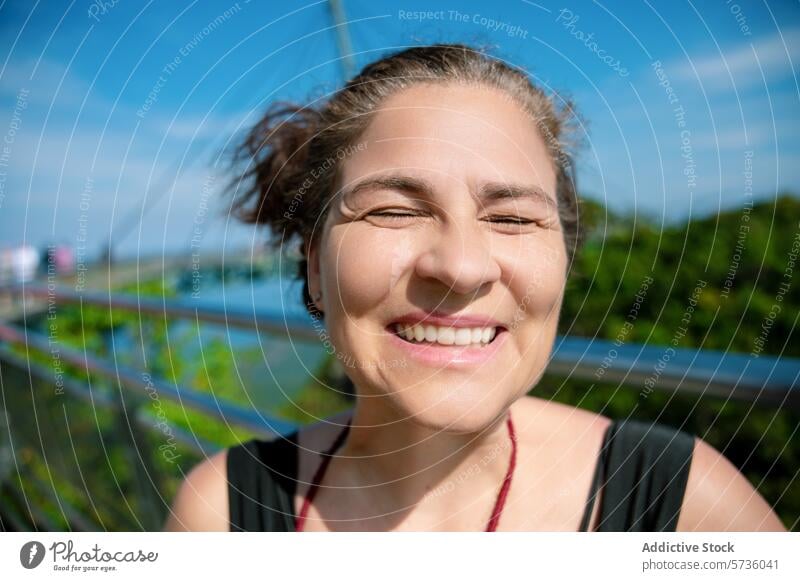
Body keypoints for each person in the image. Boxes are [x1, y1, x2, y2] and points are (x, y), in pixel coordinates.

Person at [163, 44, 785, 532]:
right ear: (315, 267)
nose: (461, 267)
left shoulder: (681, 504)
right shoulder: (222, 513)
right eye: (394, 211)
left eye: (513, 219)